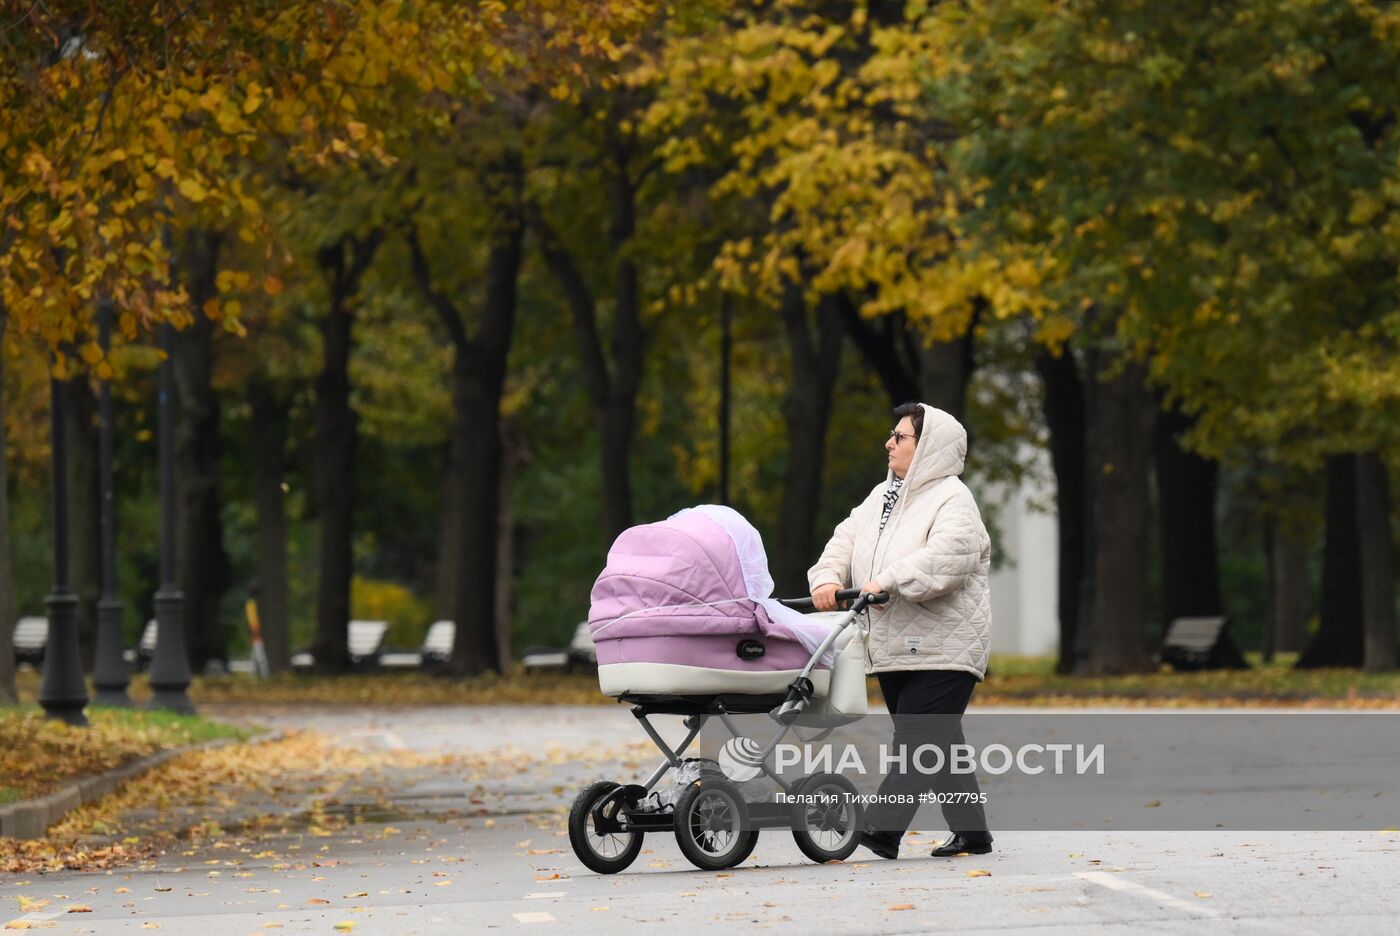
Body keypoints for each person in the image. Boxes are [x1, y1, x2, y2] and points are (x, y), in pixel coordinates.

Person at [808, 402, 993, 859]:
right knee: (939, 742)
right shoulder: (882, 497)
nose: (889, 443)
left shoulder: (954, 499)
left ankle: (881, 828)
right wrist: (827, 579)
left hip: (946, 645)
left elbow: (945, 560)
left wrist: (884, 581)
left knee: (916, 742)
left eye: (900, 437)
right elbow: (843, 540)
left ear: (926, 447)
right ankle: (973, 834)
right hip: (894, 644)